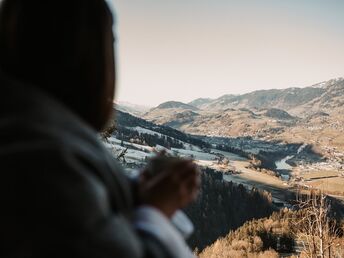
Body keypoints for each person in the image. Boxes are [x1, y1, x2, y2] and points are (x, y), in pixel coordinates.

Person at [0, 0, 200, 257]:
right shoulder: (45, 158)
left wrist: (134, 192)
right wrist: (155, 212)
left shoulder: (27, 131)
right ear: (85, 59)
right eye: (110, 43)